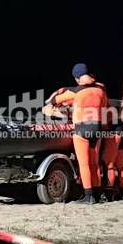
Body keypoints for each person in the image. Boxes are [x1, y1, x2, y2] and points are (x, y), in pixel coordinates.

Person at [46, 63, 109, 205]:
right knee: (95, 163)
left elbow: (54, 100)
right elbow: (105, 108)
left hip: (82, 129)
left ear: (76, 78)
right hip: (97, 129)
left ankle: (88, 196)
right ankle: (98, 193)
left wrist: (51, 104)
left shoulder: (76, 91)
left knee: (84, 164)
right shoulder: (101, 90)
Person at [101, 100, 123, 202]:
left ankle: (108, 194)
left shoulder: (107, 102)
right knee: (121, 165)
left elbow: (105, 122)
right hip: (122, 133)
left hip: (113, 133)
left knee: (108, 164)